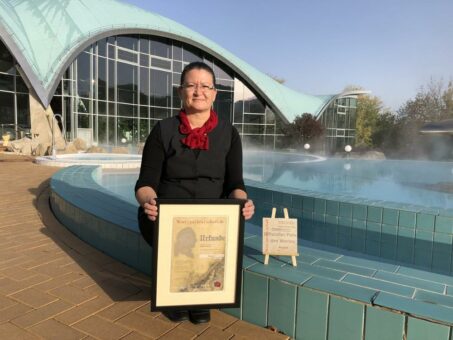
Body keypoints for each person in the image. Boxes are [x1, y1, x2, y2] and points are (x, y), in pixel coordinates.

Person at [135, 61, 255, 324]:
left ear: (214, 93)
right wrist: (149, 202)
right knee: (163, 228)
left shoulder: (229, 134)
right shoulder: (163, 130)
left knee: (223, 229)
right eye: (191, 85)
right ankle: (176, 294)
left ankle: (200, 296)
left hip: (210, 221)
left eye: (205, 86)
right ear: (181, 92)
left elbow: (236, 184)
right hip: (167, 218)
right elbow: (145, 184)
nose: (198, 91)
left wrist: (243, 203)